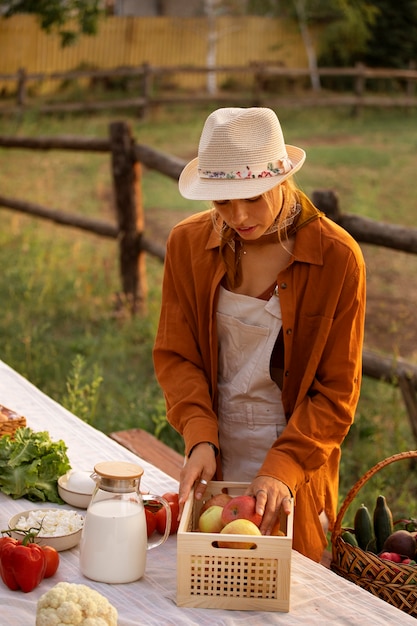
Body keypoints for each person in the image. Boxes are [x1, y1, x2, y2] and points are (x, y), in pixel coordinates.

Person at [153, 107, 366, 562]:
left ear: (282, 179)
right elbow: (177, 354)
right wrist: (199, 434)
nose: (239, 215)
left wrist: (284, 467)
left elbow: (336, 393)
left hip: (297, 470)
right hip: (214, 460)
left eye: (252, 195)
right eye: (222, 201)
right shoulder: (186, 245)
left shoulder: (338, 259)